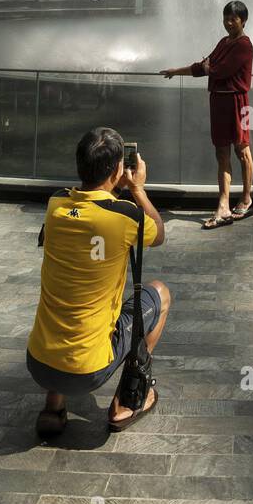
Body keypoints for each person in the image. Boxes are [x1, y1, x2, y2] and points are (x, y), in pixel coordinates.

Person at [27, 127, 169, 437]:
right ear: (119, 169)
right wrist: (139, 189)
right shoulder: (124, 216)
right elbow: (158, 234)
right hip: (87, 371)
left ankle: (54, 404)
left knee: (68, 299)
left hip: (38, 362)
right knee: (160, 293)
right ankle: (127, 400)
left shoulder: (56, 204)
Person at [160, 0, 253, 229]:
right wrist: (176, 71)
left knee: (243, 150)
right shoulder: (223, 42)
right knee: (221, 153)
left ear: (243, 20)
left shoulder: (244, 45)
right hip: (219, 102)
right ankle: (223, 205)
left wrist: (209, 67)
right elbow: (203, 66)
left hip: (241, 104)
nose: (228, 23)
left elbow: (219, 69)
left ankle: (246, 198)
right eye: (226, 18)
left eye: (233, 19)